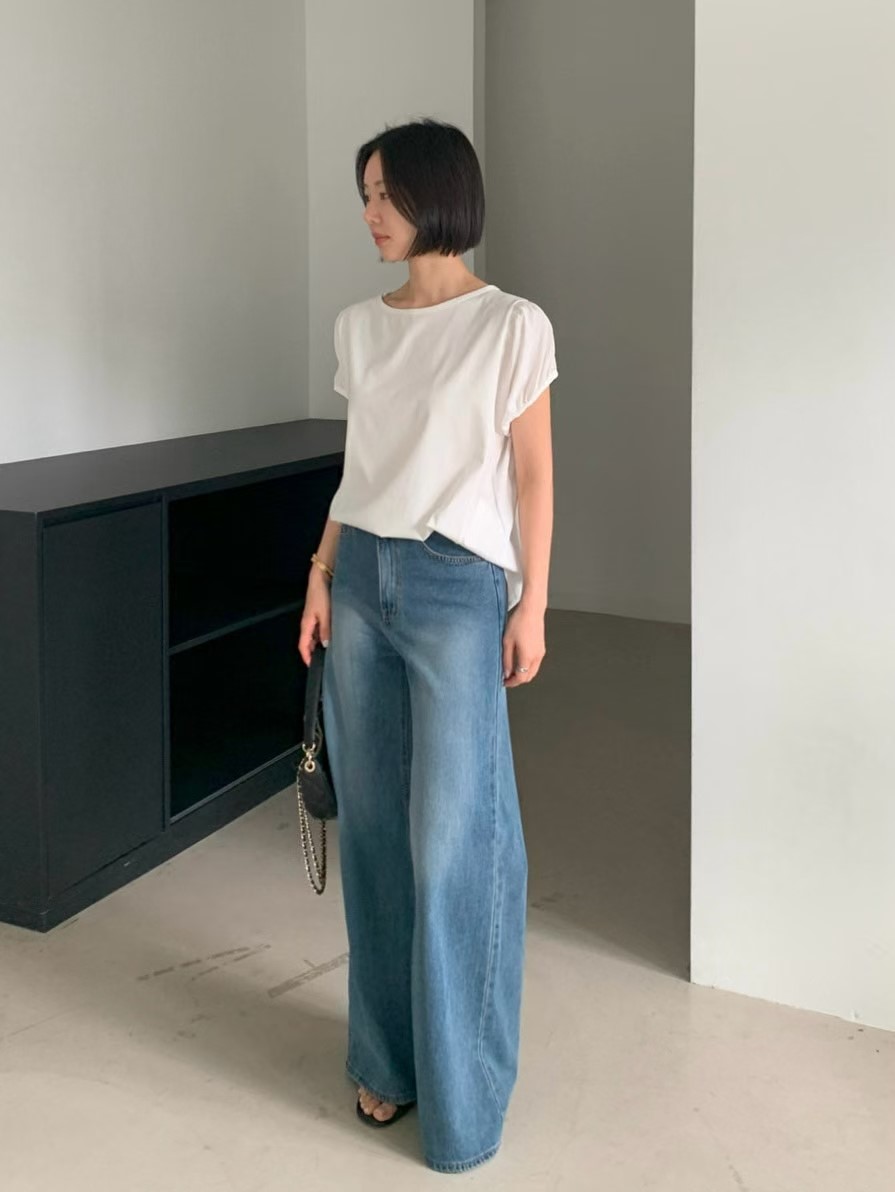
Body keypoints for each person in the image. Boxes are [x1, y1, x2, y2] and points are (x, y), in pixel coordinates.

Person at [296, 117, 558, 1175]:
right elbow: (359, 470)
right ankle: (385, 1060)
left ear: (437, 193)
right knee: (372, 836)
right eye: (363, 194)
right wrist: (319, 573)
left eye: (385, 193)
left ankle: (463, 1098)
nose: (369, 213)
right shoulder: (358, 328)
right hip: (361, 579)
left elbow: (532, 475)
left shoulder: (511, 325)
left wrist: (532, 602)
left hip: (458, 588)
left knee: (455, 844)